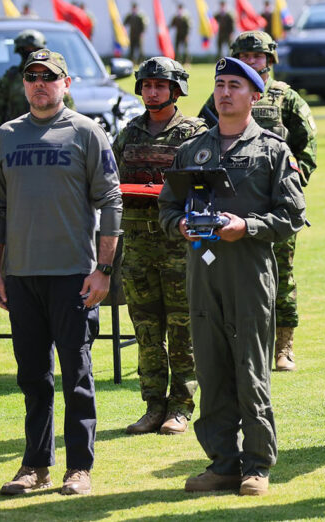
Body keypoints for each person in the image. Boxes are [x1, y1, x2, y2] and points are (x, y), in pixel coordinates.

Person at [158, 57, 305, 496]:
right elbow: (168, 206)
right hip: (203, 272)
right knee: (211, 368)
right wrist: (179, 226)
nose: (224, 92)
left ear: (255, 96)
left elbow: (292, 214)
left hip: (249, 271)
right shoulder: (192, 150)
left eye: (235, 85)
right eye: (219, 84)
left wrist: (248, 227)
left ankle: (257, 465)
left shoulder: (272, 150)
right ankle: (222, 463)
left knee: (250, 369)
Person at [0, 49, 122, 496]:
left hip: (73, 276)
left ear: (66, 83)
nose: (40, 83)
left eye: (49, 76)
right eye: (32, 76)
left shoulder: (87, 132)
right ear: (24, 83)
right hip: (22, 277)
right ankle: (35, 466)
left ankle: (79, 468)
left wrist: (103, 269)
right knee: (33, 379)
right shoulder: (7, 135)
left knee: (76, 376)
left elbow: (111, 201)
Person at [199, 31, 317, 371]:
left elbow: (306, 149)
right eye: (245, 56)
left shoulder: (286, 98)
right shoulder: (221, 95)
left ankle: (284, 346)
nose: (251, 61)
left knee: (283, 274)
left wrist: (287, 188)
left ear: (270, 59)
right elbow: (203, 140)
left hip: (275, 207)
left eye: (257, 56)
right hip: (231, 206)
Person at [116, 57, 206, 436]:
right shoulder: (128, 134)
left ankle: (181, 406)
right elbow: (110, 181)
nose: (152, 92)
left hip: (179, 246)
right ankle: (153, 405)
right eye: (147, 86)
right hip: (137, 247)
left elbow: (206, 187)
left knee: (183, 329)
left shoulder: (195, 134)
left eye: (160, 85)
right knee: (147, 330)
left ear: (176, 90)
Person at [0, 29, 75, 148]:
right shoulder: (10, 78)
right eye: (26, 49)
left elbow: (70, 113)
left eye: (34, 49)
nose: (39, 83)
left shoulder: (56, 79)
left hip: (52, 140)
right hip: (16, 139)